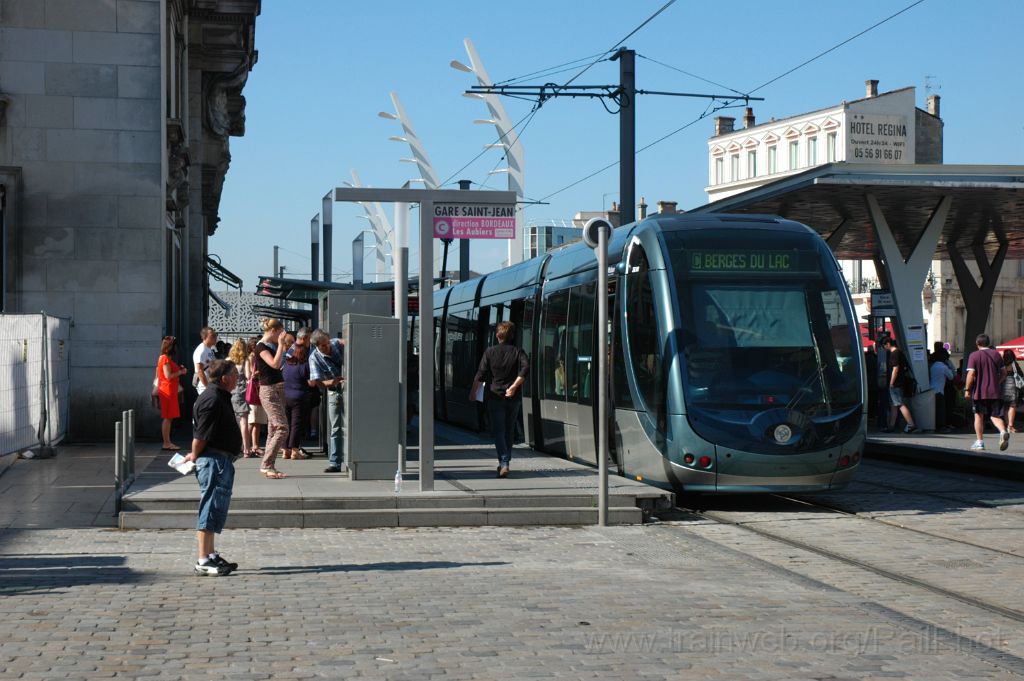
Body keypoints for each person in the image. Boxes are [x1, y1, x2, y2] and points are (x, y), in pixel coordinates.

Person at [183, 359, 240, 577]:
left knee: (216, 507)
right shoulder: (212, 399)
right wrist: (194, 455)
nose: (237, 378)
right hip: (213, 461)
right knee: (209, 507)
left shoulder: (219, 396)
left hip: (220, 460)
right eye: (235, 374)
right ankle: (203, 559)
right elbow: (200, 435)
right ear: (224, 377)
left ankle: (211, 553)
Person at [469, 321, 529, 478]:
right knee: (508, 431)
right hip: (513, 397)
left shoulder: (490, 352)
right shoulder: (518, 352)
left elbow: (480, 374)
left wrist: (473, 392)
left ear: (497, 335)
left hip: (495, 396)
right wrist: (514, 386)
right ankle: (505, 461)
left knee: (499, 431)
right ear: (513, 335)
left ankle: (504, 462)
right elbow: (525, 368)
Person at [255, 318, 291, 478]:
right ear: (274, 331)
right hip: (269, 390)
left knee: (273, 429)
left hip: (277, 389)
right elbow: (275, 364)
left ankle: (269, 464)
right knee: (282, 428)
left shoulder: (271, 346)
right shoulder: (261, 346)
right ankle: (266, 464)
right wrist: (282, 346)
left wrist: (281, 346)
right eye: (281, 332)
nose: (282, 336)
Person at [309, 329, 346, 473]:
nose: (327, 347)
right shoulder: (314, 358)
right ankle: (335, 462)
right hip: (334, 391)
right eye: (323, 345)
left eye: (327, 343)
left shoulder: (335, 343)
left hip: (351, 389)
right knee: (336, 427)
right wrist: (334, 381)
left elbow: (349, 343)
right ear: (317, 346)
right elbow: (317, 383)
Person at [964, 334, 1009, 451]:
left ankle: (979, 442)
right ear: (988, 343)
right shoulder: (997, 354)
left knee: (978, 416)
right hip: (995, 392)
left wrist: (967, 390)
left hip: (979, 392)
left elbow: (971, 374)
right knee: (995, 415)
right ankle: (1003, 431)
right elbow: (1004, 373)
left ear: (977, 343)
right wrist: (996, 382)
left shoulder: (974, 355)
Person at [881, 337, 920, 434]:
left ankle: (911, 425)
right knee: (894, 405)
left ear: (888, 344)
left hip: (896, 383)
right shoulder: (899, 352)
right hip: (899, 382)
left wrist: (891, 382)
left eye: (883, 346)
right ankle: (891, 426)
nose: (884, 348)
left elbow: (895, 369)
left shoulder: (895, 353)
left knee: (899, 403)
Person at [283, 342, 315, 460]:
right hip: (299, 397)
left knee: (287, 424)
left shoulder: (287, 364)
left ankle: (285, 450)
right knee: (296, 424)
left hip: (286, 396)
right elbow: (311, 383)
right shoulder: (304, 365)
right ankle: (295, 451)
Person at [156, 335, 188, 450]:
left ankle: (167, 442)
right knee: (168, 417)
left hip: (169, 389)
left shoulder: (164, 358)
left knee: (169, 417)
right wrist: (181, 372)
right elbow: (168, 376)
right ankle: (166, 442)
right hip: (167, 390)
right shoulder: (164, 359)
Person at [227, 338, 253, 457]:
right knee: (243, 422)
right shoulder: (245, 361)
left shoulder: (228, 361)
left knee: (233, 422)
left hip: (229, 393)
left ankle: (235, 447)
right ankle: (246, 449)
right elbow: (248, 376)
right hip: (241, 393)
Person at [245, 337, 267, 457]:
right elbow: (249, 375)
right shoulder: (251, 358)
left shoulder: (255, 357)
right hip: (254, 390)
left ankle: (254, 445)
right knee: (252, 421)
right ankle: (249, 445)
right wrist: (259, 372)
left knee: (256, 421)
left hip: (257, 390)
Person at [928, 349, 954, 433]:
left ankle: (933, 426)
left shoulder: (932, 366)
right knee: (941, 410)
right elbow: (951, 377)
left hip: (931, 390)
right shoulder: (943, 367)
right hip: (939, 391)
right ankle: (941, 427)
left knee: (933, 410)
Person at [193, 326, 218, 396]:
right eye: (212, 335)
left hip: (211, 384)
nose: (215, 337)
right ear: (205, 337)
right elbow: (200, 371)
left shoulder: (209, 349)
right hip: (204, 387)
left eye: (215, 335)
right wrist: (207, 387)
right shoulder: (201, 350)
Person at [1001, 349, 1022, 433]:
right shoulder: (1014, 364)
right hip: (1013, 387)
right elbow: (1021, 374)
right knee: (1012, 406)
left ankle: (1007, 425)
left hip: (1003, 386)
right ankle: (1010, 426)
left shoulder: (1001, 364)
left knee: (1006, 406)